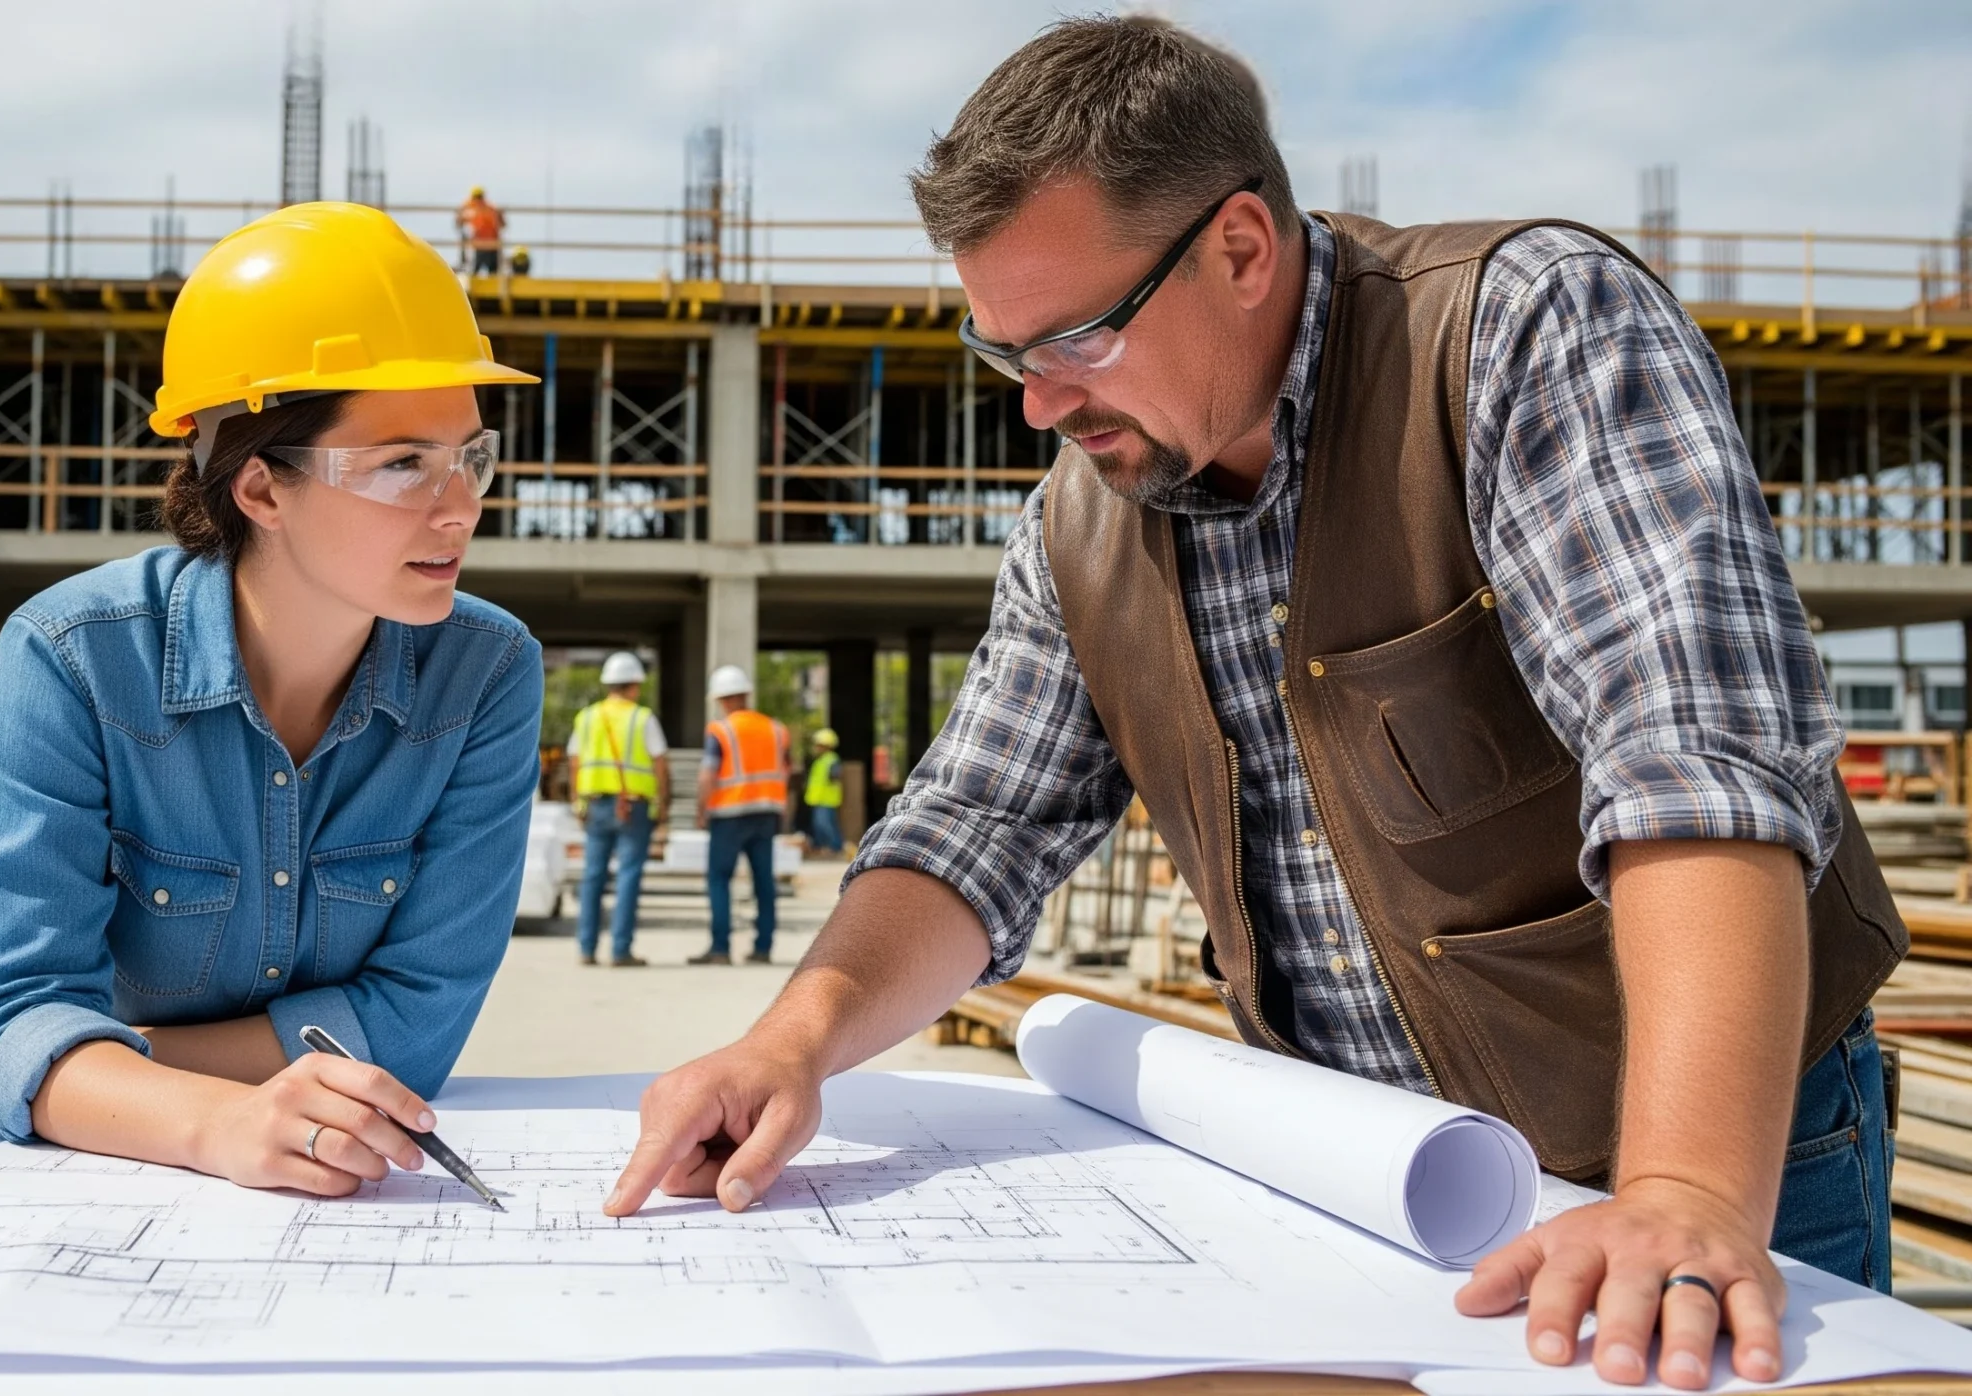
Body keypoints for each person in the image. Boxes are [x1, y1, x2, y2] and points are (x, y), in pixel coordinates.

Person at [604, 18, 1902, 1394]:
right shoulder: (1080, 528)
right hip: (1369, 1173)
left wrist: (1687, 1188)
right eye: (1004, 353)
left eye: (1077, 338)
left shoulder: (1516, 332)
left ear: (1237, 248)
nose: (1039, 405)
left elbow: (1691, 763)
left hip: (1703, 1150)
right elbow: (976, 824)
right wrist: (791, 1044)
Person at [0, 201, 544, 1200]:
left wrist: (96, 1062)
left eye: (470, 455)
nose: (462, 506)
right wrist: (211, 1120)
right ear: (259, 489)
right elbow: (17, 1022)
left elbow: (416, 1028)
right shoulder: (72, 662)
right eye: (401, 465)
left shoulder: (486, 673)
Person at [568, 651, 670, 966]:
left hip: (595, 804)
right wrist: (662, 804)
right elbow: (660, 763)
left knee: (593, 876)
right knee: (628, 876)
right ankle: (620, 950)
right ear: (634, 685)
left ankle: (586, 949)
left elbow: (574, 761)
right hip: (634, 807)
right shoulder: (642, 718)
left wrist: (576, 800)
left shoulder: (586, 717)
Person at [691, 665, 789, 966]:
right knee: (764, 883)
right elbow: (787, 772)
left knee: (720, 879)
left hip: (729, 815)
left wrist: (701, 809)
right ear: (746, 694)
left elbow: (708, 774)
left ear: (721, 699)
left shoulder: (721, 730)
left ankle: (720, 949)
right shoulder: (776, 729)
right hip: (766, 813)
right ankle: (763, 948)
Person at [800, 728, 844, 857]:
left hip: (827, 799)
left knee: (825, 825)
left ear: (827, 746)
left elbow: (834, 776)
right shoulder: (820, 760)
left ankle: (835, 847)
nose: (816, 748)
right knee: (819, 825)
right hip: (818, 799)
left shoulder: (832, 760)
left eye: (819, 745)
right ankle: (823, 846)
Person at [457, 186, 505, 276]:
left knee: (490, 271)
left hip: (489, 243)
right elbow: (460, 222)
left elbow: (502, 223)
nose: (478, 200)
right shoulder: (476, 209)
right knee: (478, 270)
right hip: (482, 244)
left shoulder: (487, 209)